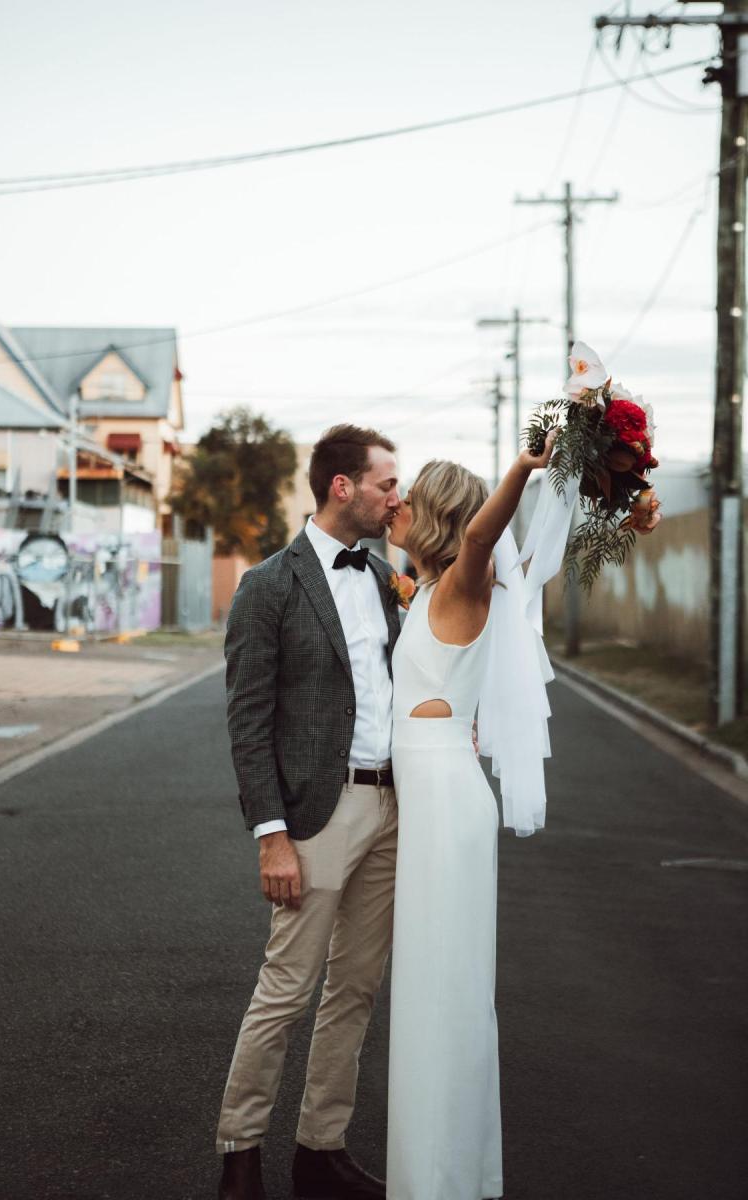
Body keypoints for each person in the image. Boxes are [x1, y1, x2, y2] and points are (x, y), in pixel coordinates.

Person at [216, 424, 402, 1200]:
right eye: (387, 483)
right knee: (286, 989)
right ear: (341, 486)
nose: (398, 496)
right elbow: (248, 718)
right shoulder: (269, 585)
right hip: (317, 818)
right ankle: (241, 1151)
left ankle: (320, 1149)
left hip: (392, 808)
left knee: (356, 988)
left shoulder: (390, 575)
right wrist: (273, 837)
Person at [385, 433, 556, 1200]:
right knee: (425, 989)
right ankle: (435, 1171)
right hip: (429, 797)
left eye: (408, 498)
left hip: (448, 798)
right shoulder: (424, 592)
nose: (396, 505)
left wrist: (523, 466)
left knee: (446, 989)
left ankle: (444, 1178)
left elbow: (483, 534)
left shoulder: (464, 582)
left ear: (435, 516)